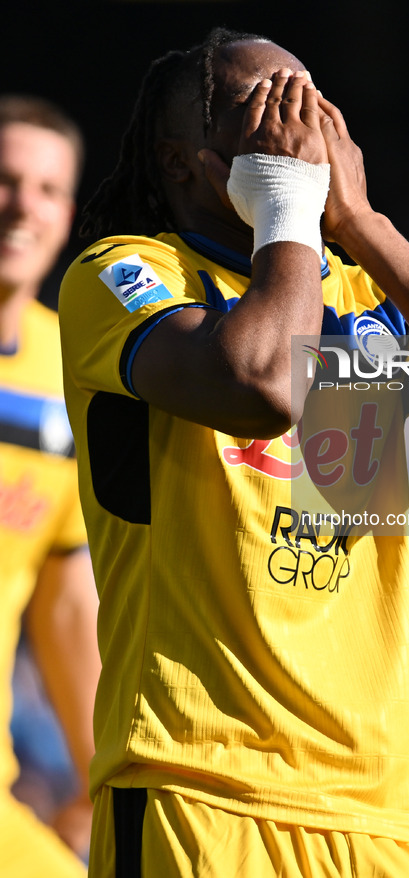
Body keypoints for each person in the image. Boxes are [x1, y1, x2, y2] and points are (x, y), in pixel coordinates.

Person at [58, 28, 409, 878]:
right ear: (180, 160)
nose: (303, 130)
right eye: (267, 111)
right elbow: (259, 383)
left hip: (385, 813)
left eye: (315, 105)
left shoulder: (362, 294)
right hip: (201, 787)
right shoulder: (125, 272)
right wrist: (291, 204)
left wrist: (364, 224)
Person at [0, 95, 101, 876]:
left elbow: (66, 601)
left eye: (46, 189)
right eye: (3, 180)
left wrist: (101, 778)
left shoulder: (72, 369)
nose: (20, 208)